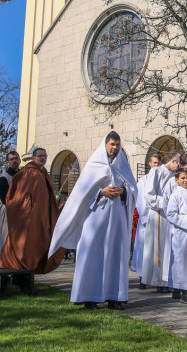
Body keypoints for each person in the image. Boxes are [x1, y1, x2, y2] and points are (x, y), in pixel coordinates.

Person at [49, 132, 137, 309]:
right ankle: (89, 297)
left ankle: (114, 297)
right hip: (96, 217)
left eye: (117, 145)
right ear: (105, 144)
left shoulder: (124, 166)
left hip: (118, 218)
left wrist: (124, 192)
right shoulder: (94, 165)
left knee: (116, 255)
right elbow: (81, 192)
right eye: (112, 144)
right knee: (92, 253)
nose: (115, 148)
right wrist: (100, 192)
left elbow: (134, 190)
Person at [0, 148, 66, 294]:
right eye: (39, 156)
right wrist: (27, 214)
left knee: (36, 247)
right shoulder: (29, 173)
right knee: (27, 249)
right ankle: (24, 284)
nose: (42, 158)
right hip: (29, 220)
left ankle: (24, 282)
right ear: (33, 157)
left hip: (43, 217)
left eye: (44, 156)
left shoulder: (43, 173)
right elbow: (20, 197)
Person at [141, 153, 179, 292]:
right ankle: (158, 281)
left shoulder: (173, 175)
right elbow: (149, 194)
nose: (179, 167)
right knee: (159, 248)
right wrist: (167, 203)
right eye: (178, 164)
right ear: (173, 161)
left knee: (168, 248)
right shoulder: (156, 171)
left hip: (169, 216)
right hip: (158, 214)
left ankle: (167, 279)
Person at [165, 167, 187, 304]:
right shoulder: (176, 195)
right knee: (181, 261)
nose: (186, 180)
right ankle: (182, 290)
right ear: (176, 180)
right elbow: (171, 214)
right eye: (183, 178)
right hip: (182, 232)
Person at [133, 154, 162, 286]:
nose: (156, 165)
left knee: (158, 250)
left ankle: (157, 278)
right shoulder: (143, 180)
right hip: (147, 219)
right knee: (144, 249)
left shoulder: (163, 179)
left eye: (158, 163)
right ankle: (142, 277)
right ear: (150, 164)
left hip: (160, 219)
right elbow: (140, 200)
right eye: (154, 163)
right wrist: (145, 216)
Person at [0, 151, 21, 265]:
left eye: (16, 158)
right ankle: (4, 264)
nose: (15, 161)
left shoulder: (22, 175)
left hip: (21, 213)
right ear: (7, 162)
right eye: (12, 159)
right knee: (6, 238)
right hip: (8, 213)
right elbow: (5, 199)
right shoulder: (4, 178)